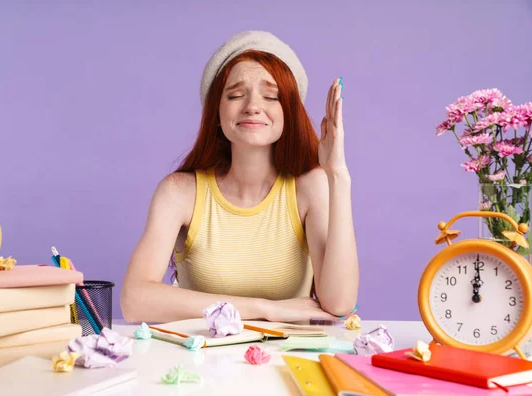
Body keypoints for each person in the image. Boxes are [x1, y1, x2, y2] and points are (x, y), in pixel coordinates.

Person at [121, 30, 359, 324]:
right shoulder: (179, 192)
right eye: (235, 95)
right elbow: (134, 301)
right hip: (199, 363)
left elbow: (340, 303)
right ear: (216, 114)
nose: (252, 106)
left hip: (287, 361)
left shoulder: (310, 187)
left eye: (271, 96)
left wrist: (338, 175)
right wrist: (264, 309)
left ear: (289, 113)